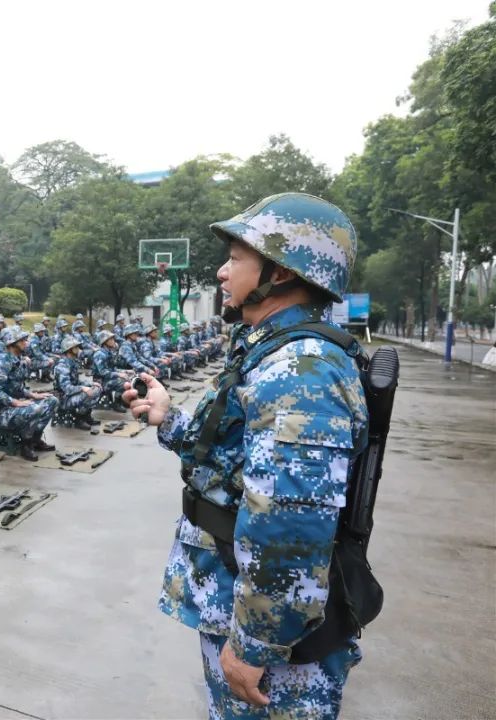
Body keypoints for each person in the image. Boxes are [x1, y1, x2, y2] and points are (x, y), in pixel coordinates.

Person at [127, 193, 368, 718]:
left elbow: (290, 524)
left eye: (235, 258)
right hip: (238, 601)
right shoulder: (270, 351)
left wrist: (256, 644)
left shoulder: (300, 369)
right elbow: (231, 458)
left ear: (280, 272)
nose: (220, 271)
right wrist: (166, 417)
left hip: (269, 638)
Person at [0, 328, 58, 461]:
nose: (27, 342)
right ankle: (26, 445)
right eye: (23, 340)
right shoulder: (3, 362)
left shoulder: (19, 360)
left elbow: (17, 388)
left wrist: (32, 395)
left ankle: (35, 440)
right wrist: (16, 402)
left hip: (15, 406)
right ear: (13, 343)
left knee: (51, 400)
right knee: (34, 408)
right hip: (2, 411)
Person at [53, 336, 101, 430]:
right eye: (76, 347)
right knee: (87, 394)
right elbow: (67, 388)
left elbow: (79, 380)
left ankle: (86, 415)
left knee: (97, 388)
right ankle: (78, 419)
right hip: (64, 398)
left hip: (72, 394)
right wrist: (83, 388)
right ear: (69, 349)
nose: (78, 349)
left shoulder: (73, 361)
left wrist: (91, 384)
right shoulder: (62, 365)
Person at [90, 330, 133, 411]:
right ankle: (116, 403)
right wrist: (118, 374)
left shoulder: (108, 352)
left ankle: (122, 400)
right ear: (104, 341)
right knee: (122, 382)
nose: (114, 341)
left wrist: (125, 371)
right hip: (100, 382)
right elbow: (102, 372)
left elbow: (112, 369)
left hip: (107, 379)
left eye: (113, 339)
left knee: (129, 376)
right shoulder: (99, 354)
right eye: (111, 339)